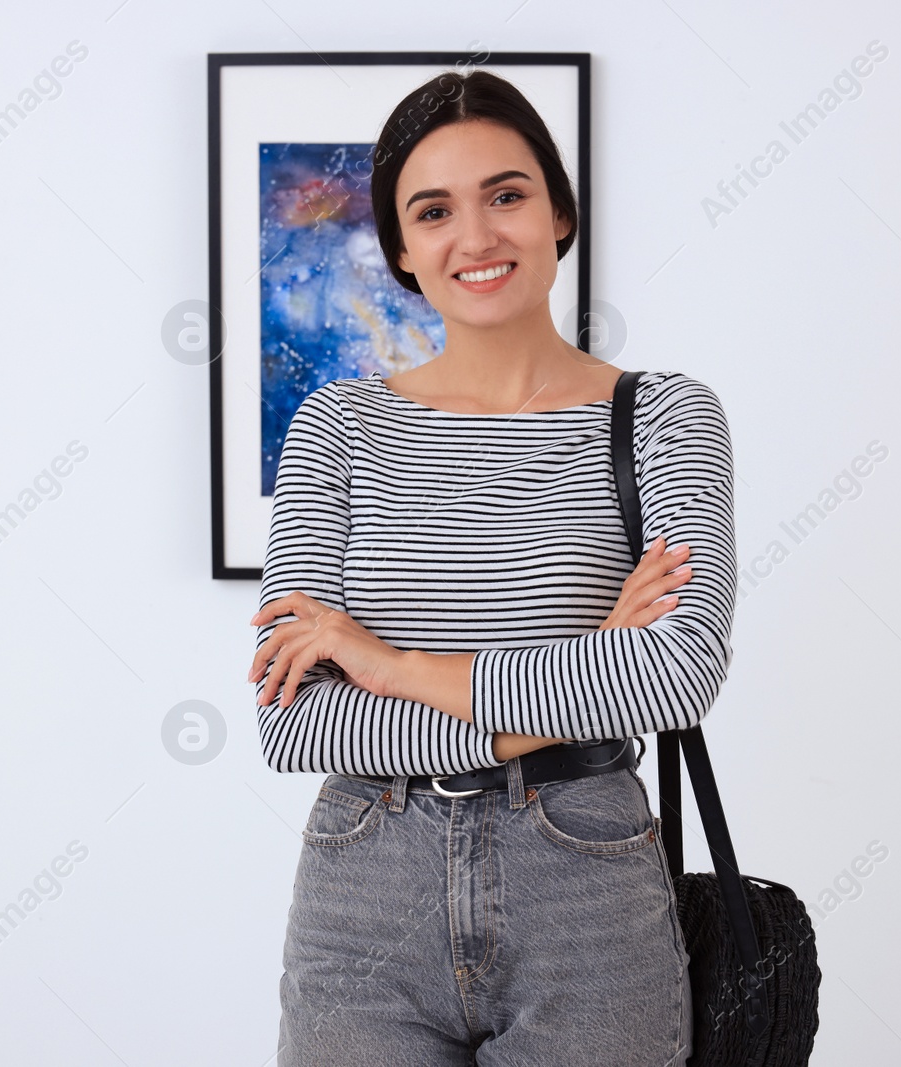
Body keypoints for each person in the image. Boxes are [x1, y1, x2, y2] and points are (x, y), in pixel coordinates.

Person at [248, 67, 736, 1065]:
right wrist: (581, 673)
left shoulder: (665, 417)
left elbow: (676, 670)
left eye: (506, 195)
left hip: (587, 890)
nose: (475, 238)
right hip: (362, 891)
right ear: (399, 249)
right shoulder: (337, 428)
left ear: (559, 212)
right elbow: (294, 717)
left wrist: (386, 663)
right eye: (433, 211)